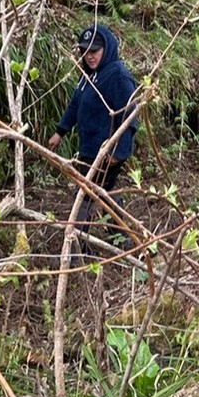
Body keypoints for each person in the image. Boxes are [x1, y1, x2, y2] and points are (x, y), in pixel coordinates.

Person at [49, 24, 138, 251]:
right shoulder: (89, 76)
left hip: (107, 152)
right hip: (90, 149)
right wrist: (61, 131)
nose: (89, 56)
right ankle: (121, 239)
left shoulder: (117, 76)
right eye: (85, 52)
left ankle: (77, 245)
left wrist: (118, 152)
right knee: (102, 194)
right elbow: (76, 104)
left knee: (87, 194)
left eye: (94, 51)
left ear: (105, 49)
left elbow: (130, 116)